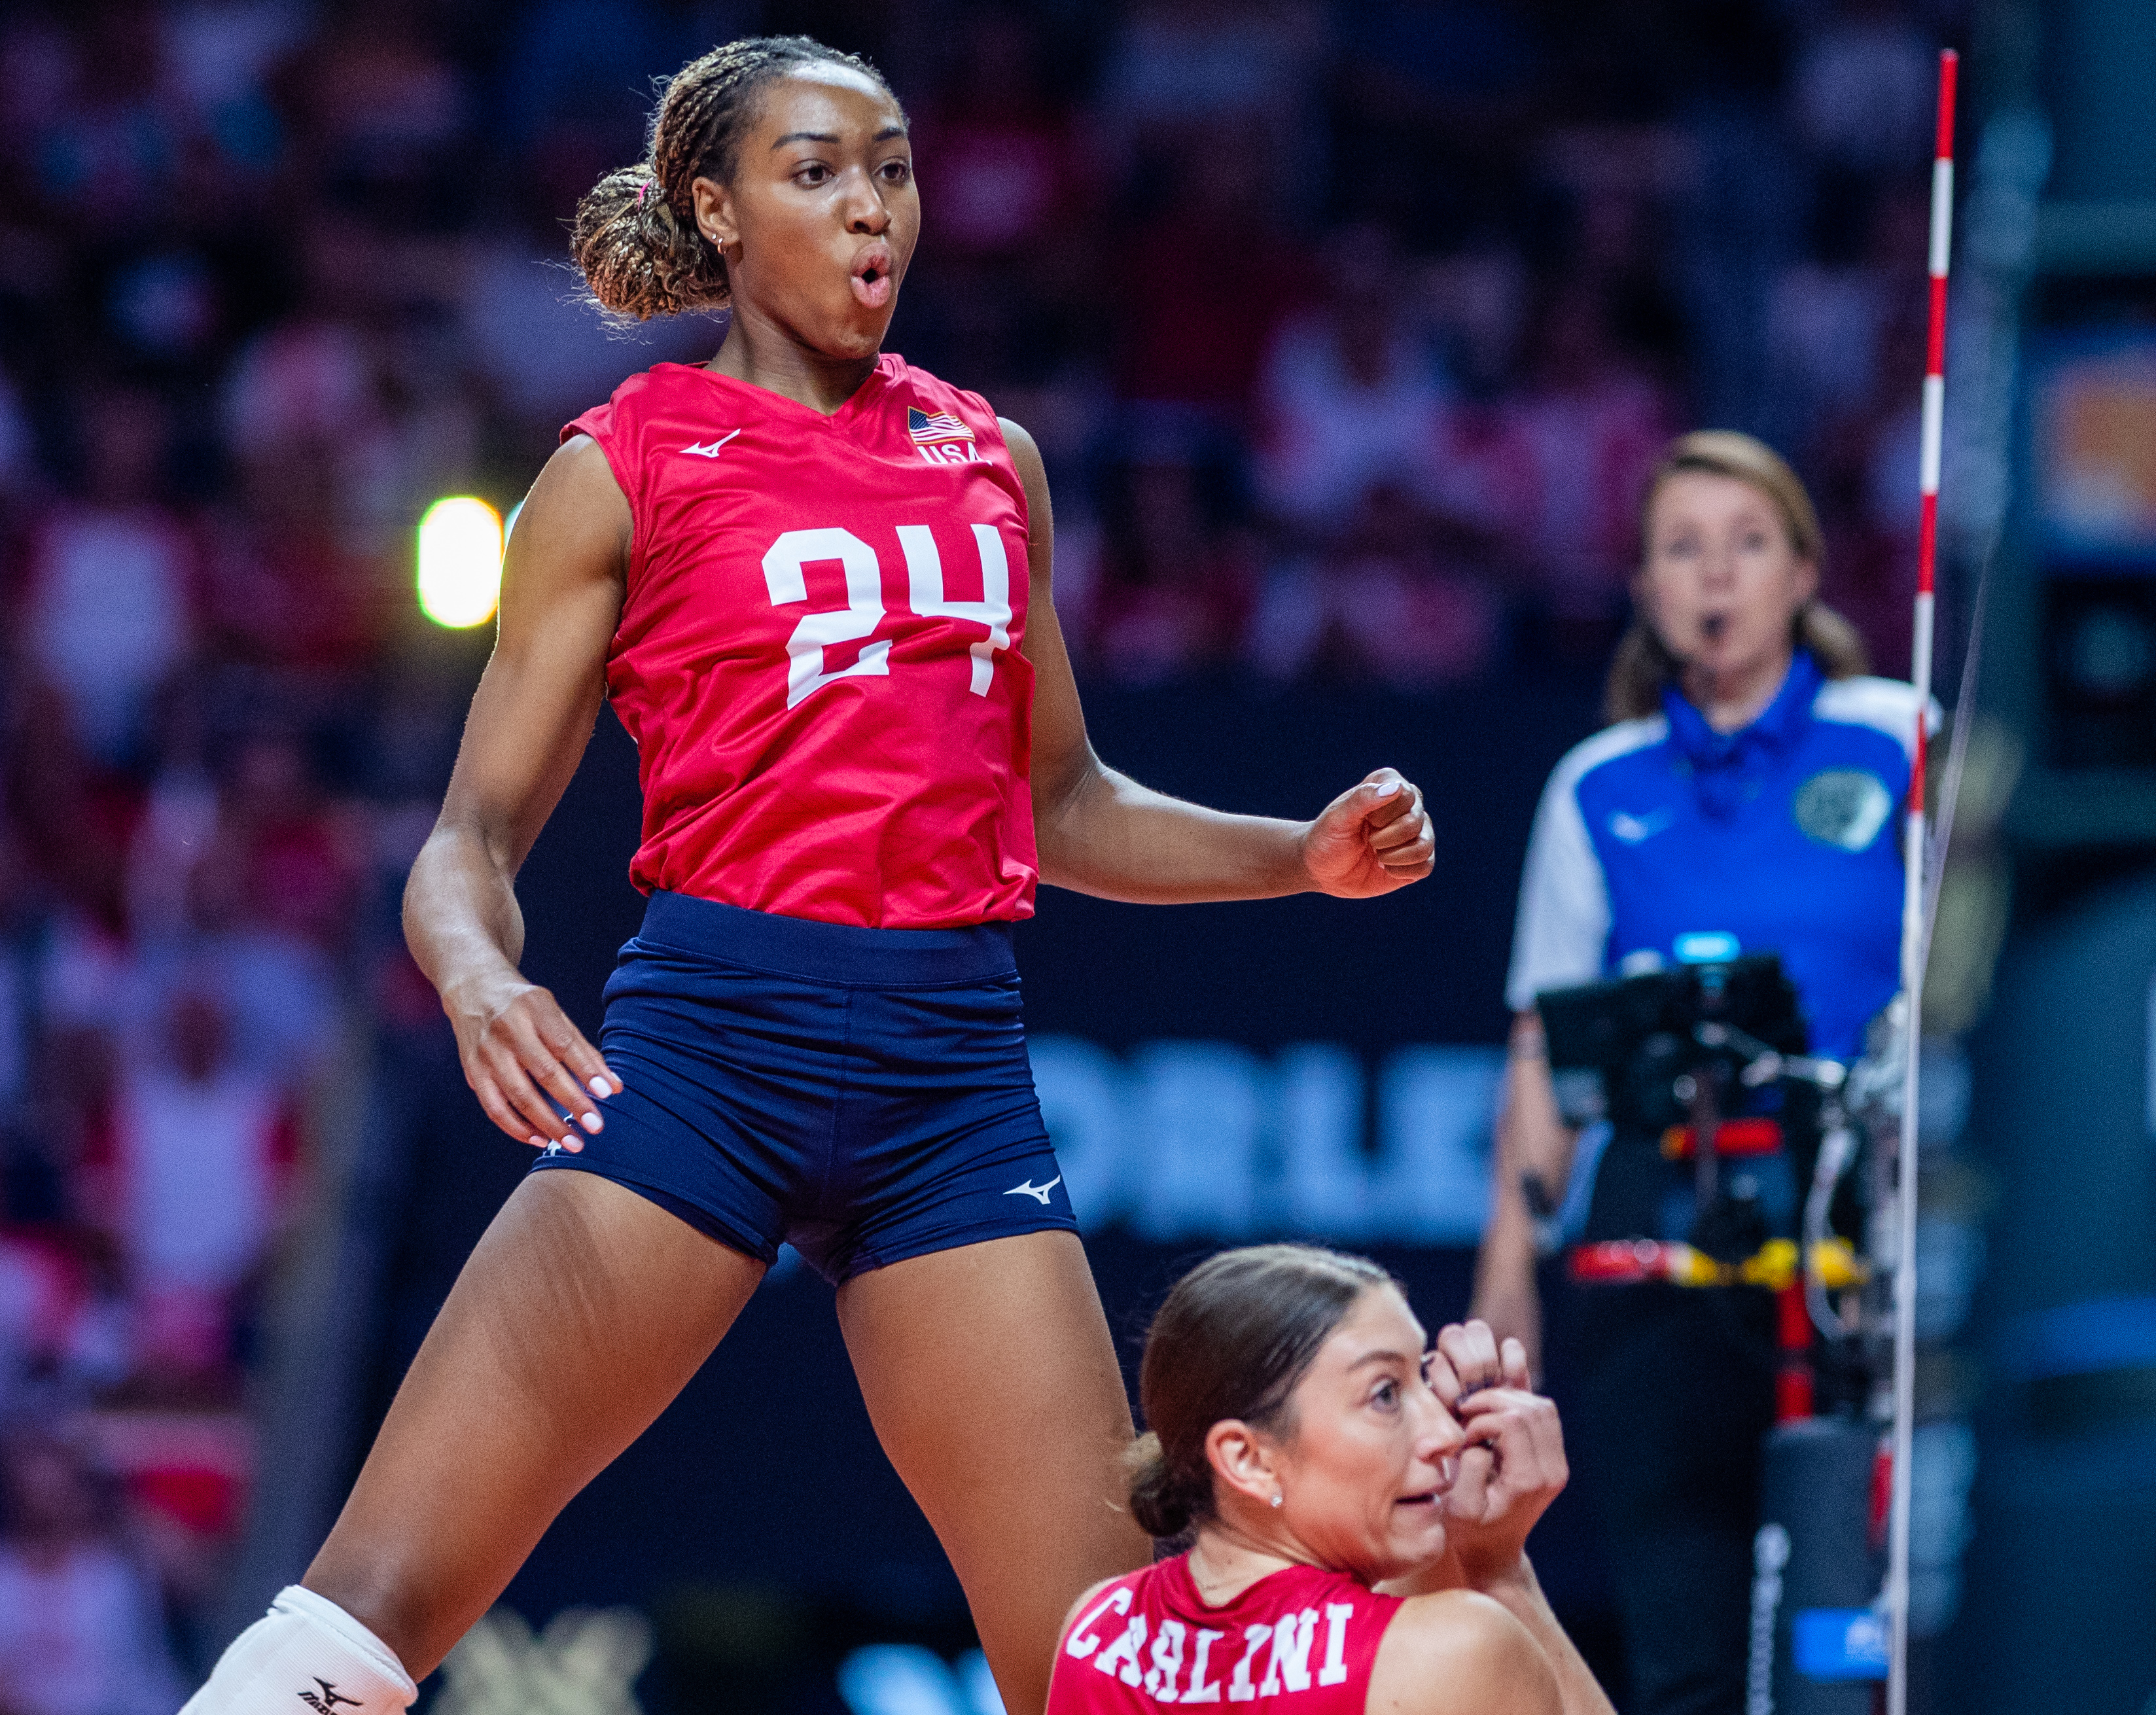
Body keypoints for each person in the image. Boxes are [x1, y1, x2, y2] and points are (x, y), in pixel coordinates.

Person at [183, 36, 1436, 1715]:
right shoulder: (617, 467)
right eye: (818, 170)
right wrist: (482, 979)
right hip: (710, 1059)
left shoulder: (991, 461)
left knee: (1106, 1673)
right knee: (363, 1619)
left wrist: (1293, 858)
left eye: (895, 169)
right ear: (714, 208)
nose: (873, 209)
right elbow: (467, 843)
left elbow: (1054, 797)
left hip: (949, 1093)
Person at [1471, 431, 1923, 1715]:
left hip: (1859, 1237)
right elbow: (1541, 1050)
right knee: (1684, 1656)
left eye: (1747, 542)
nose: (1715, 575)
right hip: (1652, 1236)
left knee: (1868, 1639)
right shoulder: (1598, 785)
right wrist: (1510, 1267)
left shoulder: (1897, 736)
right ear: (1645, 589)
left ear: (1803, 573)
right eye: (1681, 547)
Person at [1048, 1245, 1612, 1715]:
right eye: (1385, 1394)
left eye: (1422, 1377)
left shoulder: (1095, 1629)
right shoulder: (1459, 1646)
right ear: (1248, 1458)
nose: (1446, 1431)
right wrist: (1499, 1572)